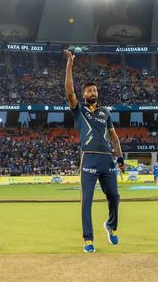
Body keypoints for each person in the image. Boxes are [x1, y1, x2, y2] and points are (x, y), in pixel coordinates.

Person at [64, 49, 125, 253]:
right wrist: (70, 65)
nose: (93, 93)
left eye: (95, 91)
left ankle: (111, 226)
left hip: (107, 160)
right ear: (83, 95)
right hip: (89, 160)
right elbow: (69, 91)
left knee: (114, 196)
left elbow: (114, 137)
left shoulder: (105, 112)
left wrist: (120, 158)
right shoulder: (78, 109)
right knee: (86, 202)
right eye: (89, 91)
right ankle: (88, 239)